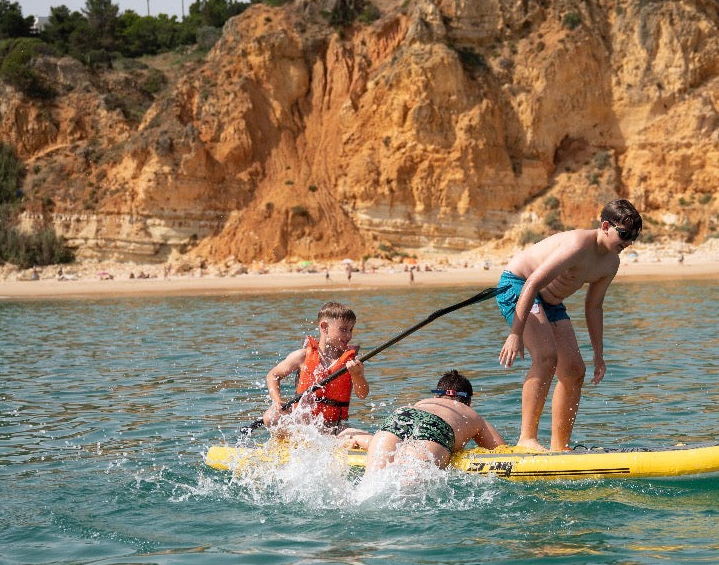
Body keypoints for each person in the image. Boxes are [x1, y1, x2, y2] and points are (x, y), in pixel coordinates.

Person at [496, 198, 642, 451]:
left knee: (575, 370)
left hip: (551, 302)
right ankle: (526, 440)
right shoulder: (577, 245)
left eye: (633, 238)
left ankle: (559, 447)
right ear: (606, 225)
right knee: (546, 357)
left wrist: (599, 355)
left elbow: (593, 307)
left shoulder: (611, 262)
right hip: (519, 285)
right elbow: (532, 283)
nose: (628, 242)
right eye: (624, 234)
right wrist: (515, 333)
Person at [344, 370, 506, 472]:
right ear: (468, 402)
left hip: (400, 416)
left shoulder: (423, 403)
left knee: (371, 488)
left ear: (437, 396)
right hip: (436, 428)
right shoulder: (471, 414)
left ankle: (354, 437)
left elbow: (405, 439)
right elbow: (501, 451)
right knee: (407, 493)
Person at [261, 301, 369, 431]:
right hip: (302, 426)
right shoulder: (302, 356)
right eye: (343, 329)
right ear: (324, 327)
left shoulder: (352, 363)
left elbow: (362, 394)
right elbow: (273, 375)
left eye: (351, 330)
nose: (349, 335)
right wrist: (277, 401)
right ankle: (284, 445)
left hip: (336, 427)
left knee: (365, 439)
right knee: (271, 416)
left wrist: (357, 375)